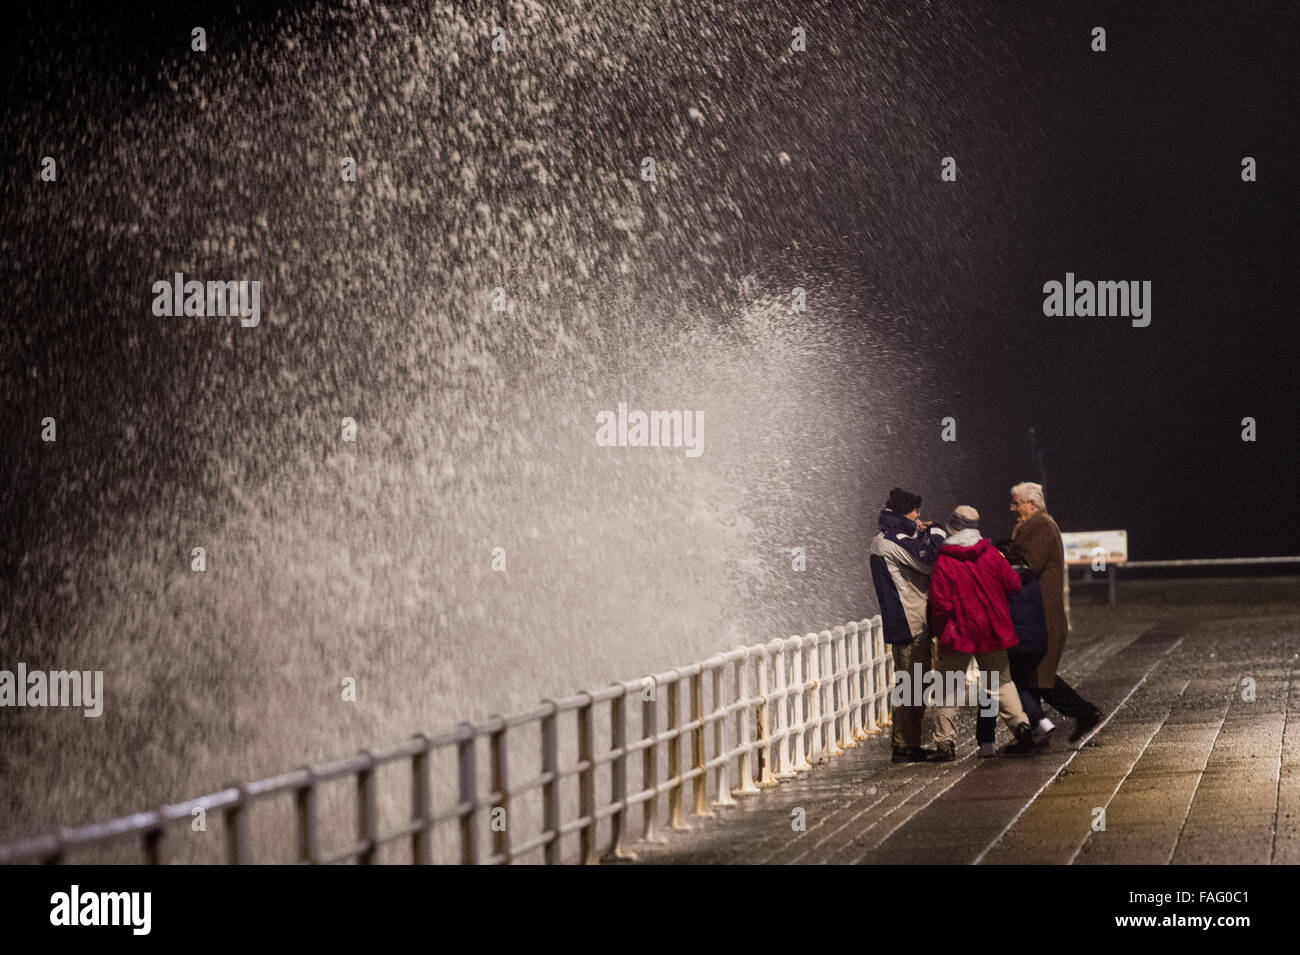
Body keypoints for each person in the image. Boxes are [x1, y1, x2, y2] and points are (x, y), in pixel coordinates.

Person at [927, 506, 1037, 760]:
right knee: (1001, 681)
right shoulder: (991, 554)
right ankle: (1021, 728)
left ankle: (945, 743)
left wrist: (938, 629)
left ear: (951, 527)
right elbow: (1013, 583)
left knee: (947, 686)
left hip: (959, 632)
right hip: (992, 629)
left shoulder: (945, 560)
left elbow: (941, 603)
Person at [1009, 482, 1103, 742]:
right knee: (1031, 675)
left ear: (1031, 503)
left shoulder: (1039, 526)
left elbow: (1027, 566)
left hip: (1042, 617)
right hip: (1037, 616)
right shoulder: (1032, 526)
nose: (1012, 508)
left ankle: (1083, 712)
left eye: (1016, 503)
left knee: (1037, 676)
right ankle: (1036, 733)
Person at [869, 487, 948, 763]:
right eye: (916, 512)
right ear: (905, 513)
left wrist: (924, 534)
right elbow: (930, 561)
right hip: (907, 624)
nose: (919, 517)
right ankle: (904, 746)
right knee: (911, 684)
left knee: (918, 683)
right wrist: (936, 530)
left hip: (914, 621)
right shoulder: (889, 541)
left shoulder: (894, 537)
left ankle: (909, 743)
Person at [995, 538, 1054, 745]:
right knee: (1028, 682)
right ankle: (1039, 731)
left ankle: (1040, 721)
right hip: (1038, 639)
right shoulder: (1030, 576)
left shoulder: (1005, 580)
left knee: (1015, 684)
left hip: (1018, 641)